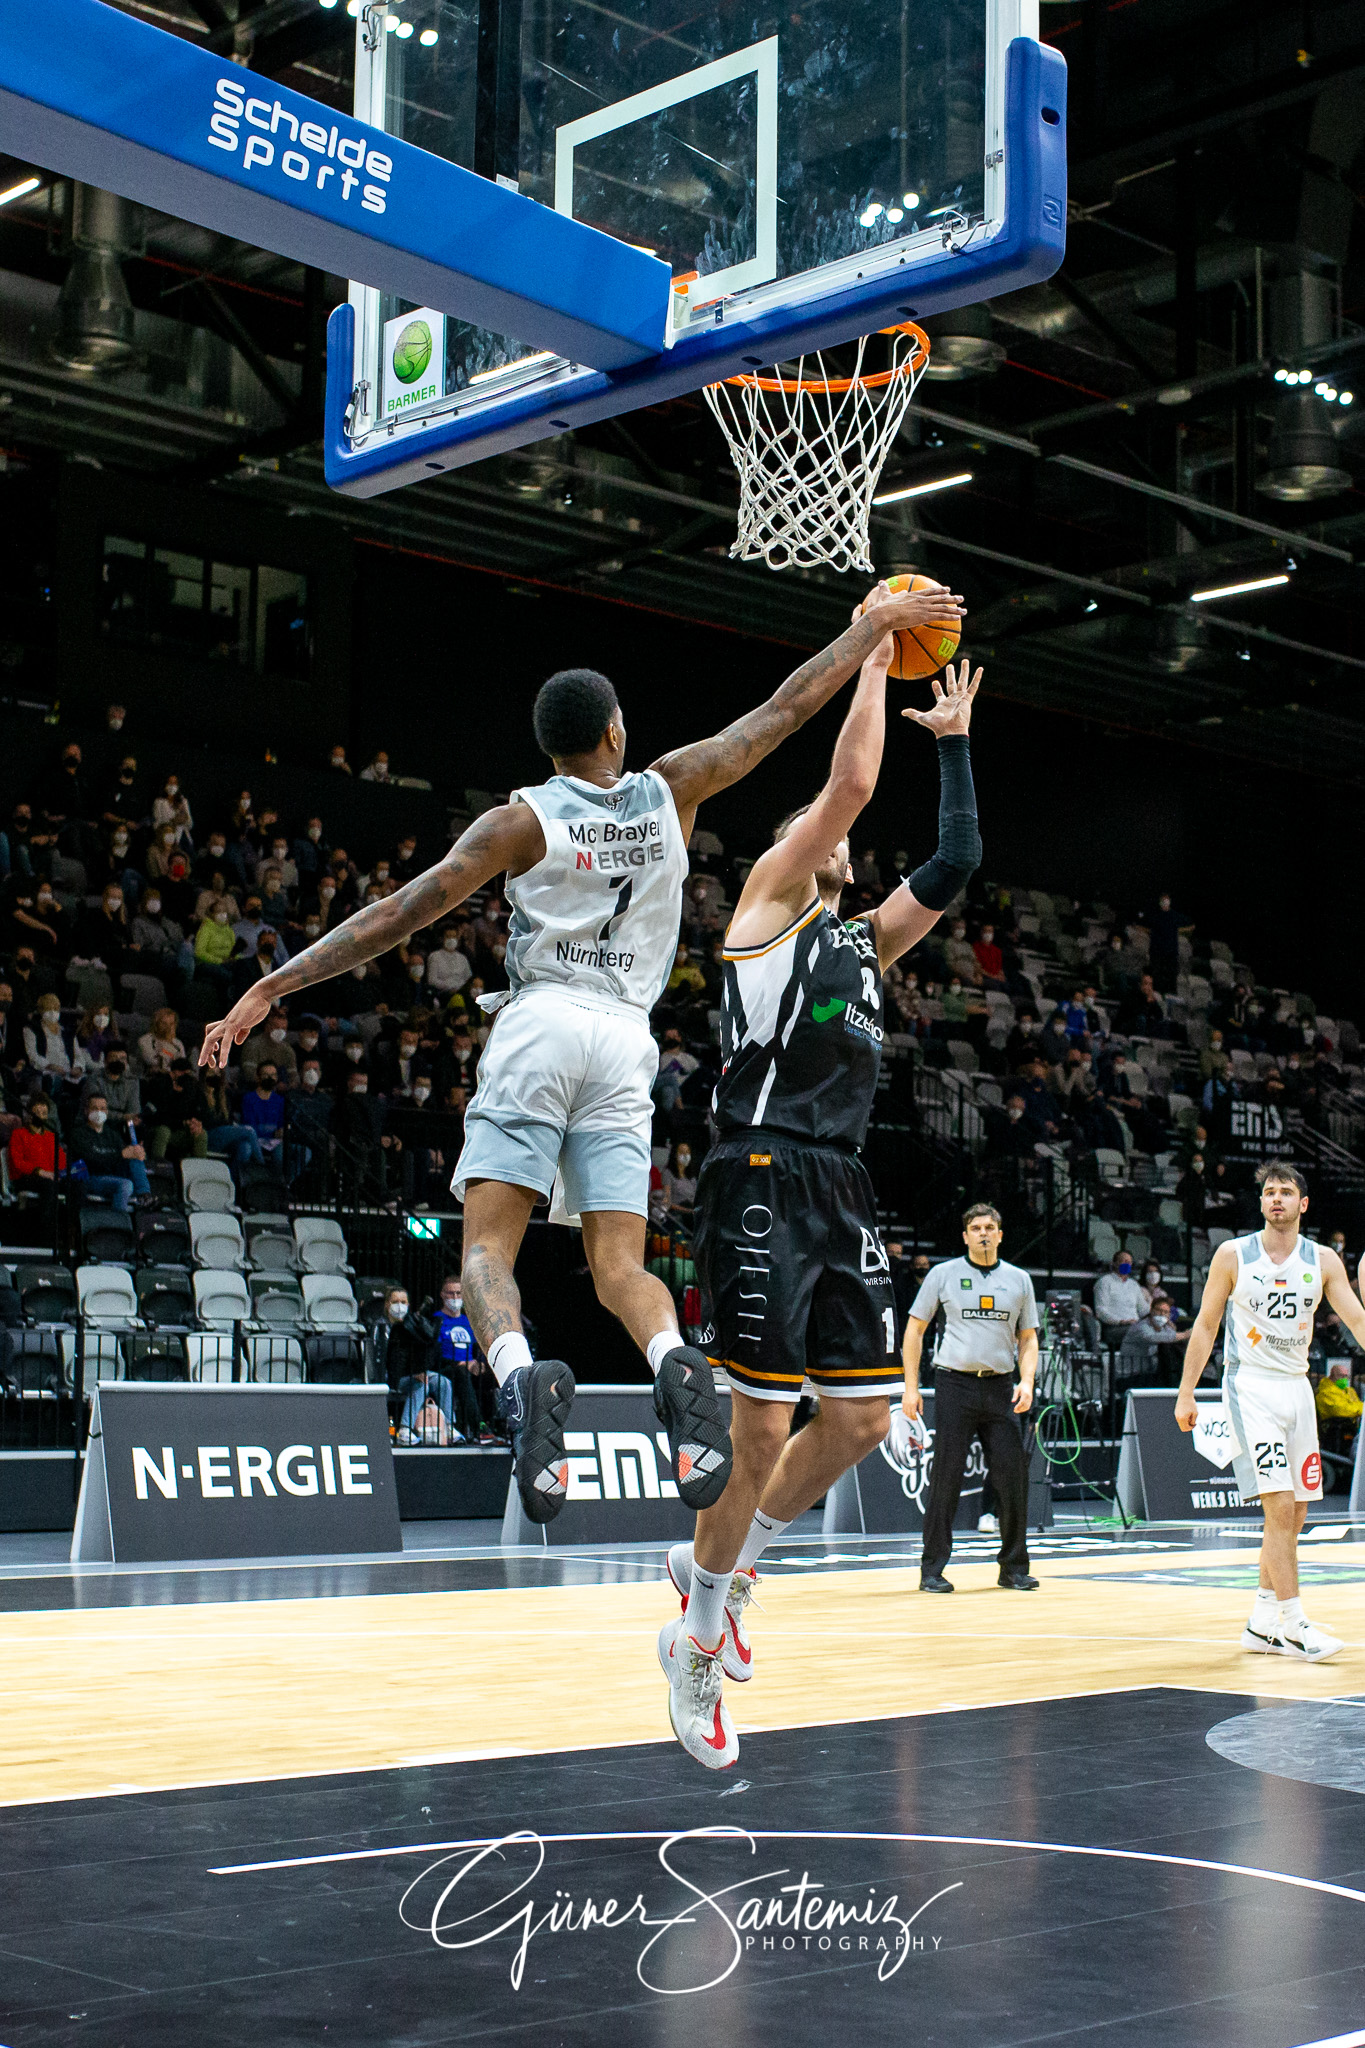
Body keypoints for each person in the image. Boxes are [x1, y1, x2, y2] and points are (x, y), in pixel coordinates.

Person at [199, 578, 966, 1531]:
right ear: (614, 731)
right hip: (624, 1039)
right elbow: (780, 712)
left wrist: (275, 985)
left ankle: (519, 1382)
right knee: (618, 1268)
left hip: (541, 1021)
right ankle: (668, 1363)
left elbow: (401, 913)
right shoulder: (671, 786)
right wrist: (868, 636)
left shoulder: (520, 820)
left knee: (486, 1247)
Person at [659, 637, 983, 1769]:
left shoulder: (864, 943)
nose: (838, 828)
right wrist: (873, 654)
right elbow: (846, 784)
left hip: (839, 1184)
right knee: (755, 1421)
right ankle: (694, 1638)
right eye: (818, 824)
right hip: (757, 1172)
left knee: (856, 1418)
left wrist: (952, 745)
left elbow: (955, 858)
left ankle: (733, 1570)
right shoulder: (766, 906)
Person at [1174, 1159, 1365, 1662]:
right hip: (1250, 1386)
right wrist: (1186, 1392)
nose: (1275, 1198)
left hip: (1297, 1389)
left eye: (1285, 1192)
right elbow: (1205, 1324)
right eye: (1268, 1191)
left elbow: (1354, 1318)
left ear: (1303, 1204)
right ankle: (1295, 1624)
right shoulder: (1233, 1254)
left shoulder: (1323, 1260)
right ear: (1261, 1203)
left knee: (1296, 1514)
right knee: (1279, 1507)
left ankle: (1261, 1621)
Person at [901, 1203, 1039, 1595]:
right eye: (976, 1227)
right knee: (946, 1477)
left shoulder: (1019, 1280)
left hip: (1001, 1387)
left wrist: (1027, 1381)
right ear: (965, 1236)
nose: (983, 1233)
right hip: (955, 1384)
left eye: (990, 1227)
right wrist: (911, 1387)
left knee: (1012, 1479)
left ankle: (1013, 1568)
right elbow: (915, 1330)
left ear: (1000, 1234)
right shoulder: (943, 1275)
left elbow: (1028, 1338)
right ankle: (932, 1570)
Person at [69, 1093, 151, 1211]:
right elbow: (91, 1161)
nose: (99, 1112)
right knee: (125, 1185)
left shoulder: (112, 1135)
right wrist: (121, 1155)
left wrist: (136, 1153)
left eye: (102, 1109)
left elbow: (122, 1156)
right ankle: (118, 1221)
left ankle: (145, 1195)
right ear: (86, 1111)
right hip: (89, 1177)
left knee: (135, 1157)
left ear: (107, 1112)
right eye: (95, 1108)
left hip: (112, 1175)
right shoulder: (78, 1133)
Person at [434, 1273, 486, 1440]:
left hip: (469, 1367)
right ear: (442, 1295)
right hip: (446, 1368)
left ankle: (505, 1425)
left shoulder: (468, 1321)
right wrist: (460, 1363)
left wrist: (479, 1363)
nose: (455, 1297)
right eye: (451, 1293)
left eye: (459, 1293)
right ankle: (479, 1427)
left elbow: (479, 1349)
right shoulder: (437, 1321)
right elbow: (434, 1354)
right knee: (462, 1374)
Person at [1094, 1251, 1146, 1344]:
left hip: (1135, 1326)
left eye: (1129, 1262)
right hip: (1114, 1328)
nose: (1127, 1264)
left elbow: (1143, 1309)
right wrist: (1121, 1322)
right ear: (1114, 1263)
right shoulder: (1104, 1282)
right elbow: (1100, 1311)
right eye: (1123, 1261)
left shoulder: (1133, 1284)